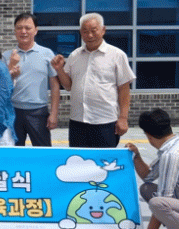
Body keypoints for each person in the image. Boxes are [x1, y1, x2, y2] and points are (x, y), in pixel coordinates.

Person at [51, 13, 136, 148]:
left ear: (103, 30)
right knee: (78, 158)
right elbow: (68, 86)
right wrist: (60, 70)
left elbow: (124, 89)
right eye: (85, 31)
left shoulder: (117, 55)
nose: (89, 35)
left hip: (105, 122)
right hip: (78, 121)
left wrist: (123, 118)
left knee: (104, 159)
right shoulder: (75, 55)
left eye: (93, 30)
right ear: (81, 33)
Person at [2, 13, 60, 147]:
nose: (23, 31)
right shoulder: (6, 56)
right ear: (15, 31)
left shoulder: (47, 54)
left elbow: (55, 86)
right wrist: (10, 67)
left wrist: (54, 114)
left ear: (36, 30)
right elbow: (2, 87)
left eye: (28, 28)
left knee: (42, 152)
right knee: (14, 152)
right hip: (13, 111)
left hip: (38, 112)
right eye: (19, 28)